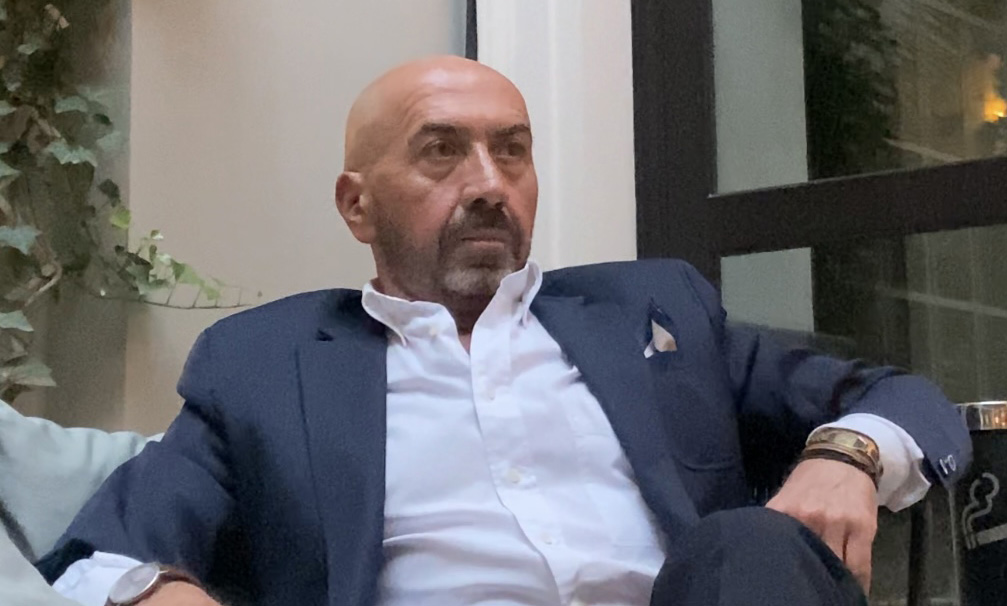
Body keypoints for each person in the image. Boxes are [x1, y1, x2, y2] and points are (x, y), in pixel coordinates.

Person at [39, 55, 970, 606]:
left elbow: (900, 398)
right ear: (357, 205)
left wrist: (845, 456)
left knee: (749, 546)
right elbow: (100, 555)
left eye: (512, 150)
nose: (488, 182)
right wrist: (160, 590)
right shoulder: (266, 366)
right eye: (441, 150)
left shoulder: (656, 311)